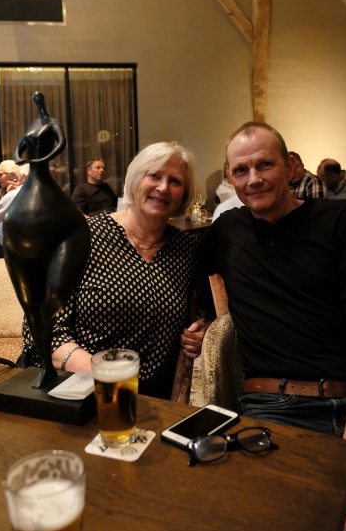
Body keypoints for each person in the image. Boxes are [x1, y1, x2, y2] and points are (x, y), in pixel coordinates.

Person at [200, 121, 346, 531]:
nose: (253, 179)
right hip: (274, 408)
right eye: (240, 170)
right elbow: (170, 269)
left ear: (291, 166)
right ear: (230, 178)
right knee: (280, 530)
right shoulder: (226, 231)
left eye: (265, 165)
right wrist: (197, 327)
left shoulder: (341, 219)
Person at [19, 142, 206, 399]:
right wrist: (109, 377)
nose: (163, 187)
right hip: (71, 391)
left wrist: (198, 334)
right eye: (154, 176)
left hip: (150, 401)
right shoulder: (82, 238)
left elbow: (196, 316)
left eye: (175, 181)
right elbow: (41, 328)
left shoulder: (187, 250)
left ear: (184, 194)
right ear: (134, 180)